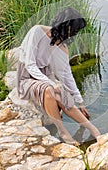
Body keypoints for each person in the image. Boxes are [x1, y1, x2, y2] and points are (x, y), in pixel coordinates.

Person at [17, 7, 100, 145]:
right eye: (73, 30)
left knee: (62, 94)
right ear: (65, 24)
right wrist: (51, 83)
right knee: (50, 88)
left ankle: (93, 129)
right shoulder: (37, 31)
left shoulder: (62, 47)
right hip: (27, 77)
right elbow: (30, 64)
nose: (74, 34)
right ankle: (62, 131)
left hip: (45, 77)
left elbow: (66, 75)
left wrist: (80, 101)